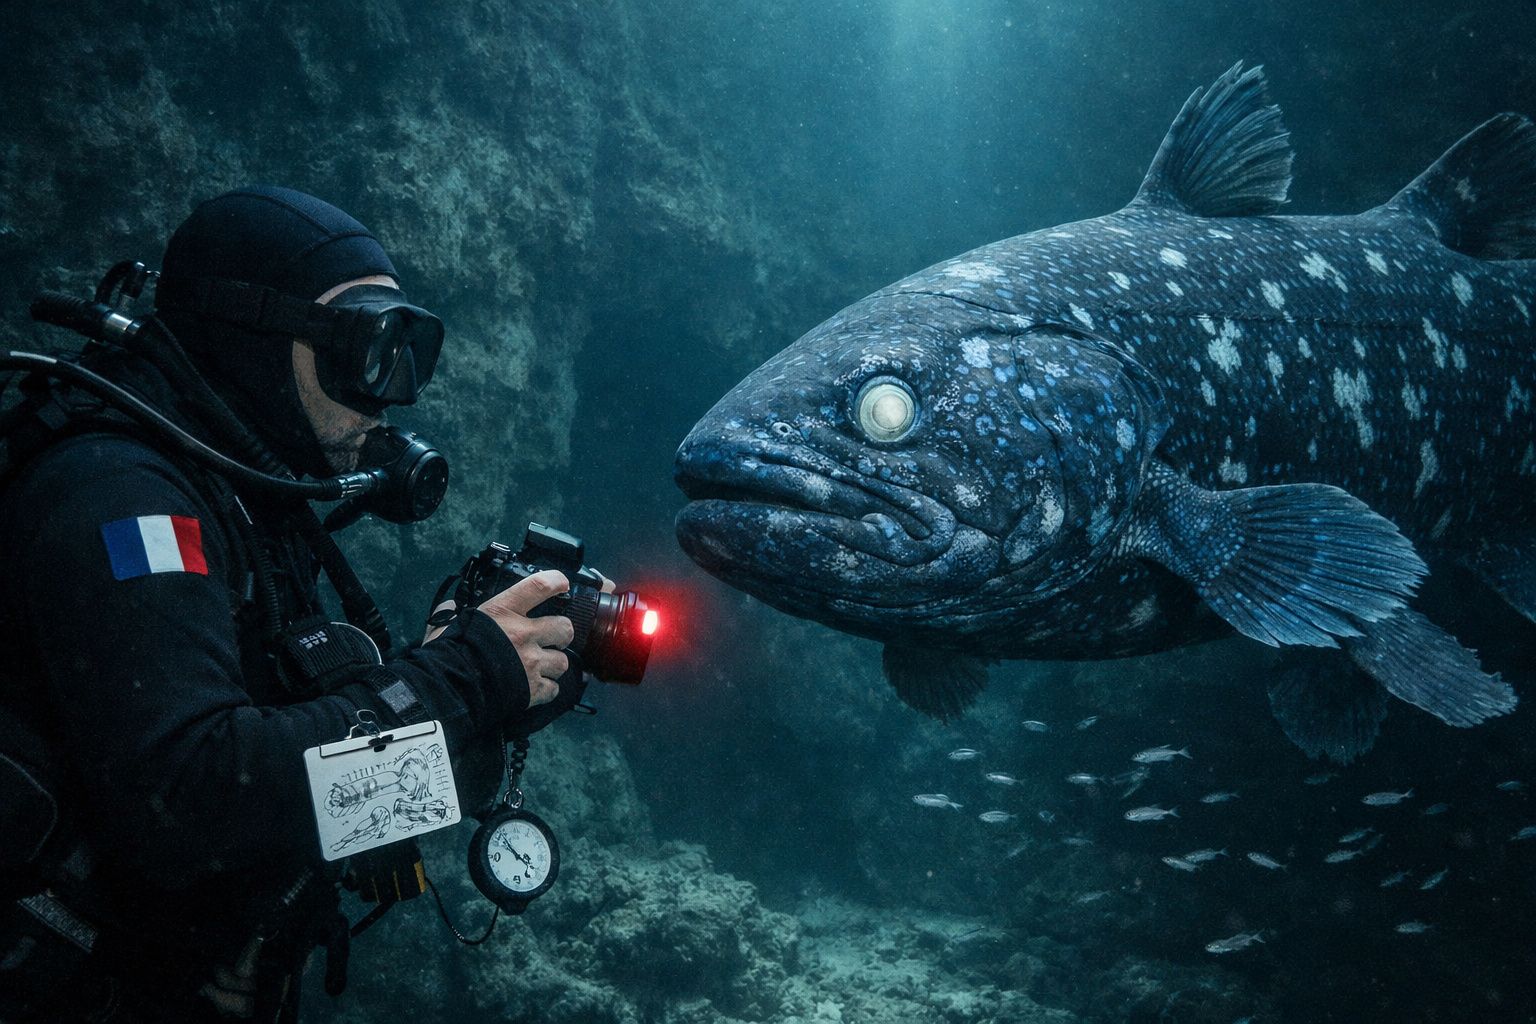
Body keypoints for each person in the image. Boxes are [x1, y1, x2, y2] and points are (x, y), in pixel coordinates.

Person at [0, 186, 594, 1022]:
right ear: (253, 343)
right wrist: (456, 682)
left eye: (406, 353)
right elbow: (192, 800)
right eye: (364, 351)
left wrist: (473, 714)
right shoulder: (121, 496)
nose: (387, 394)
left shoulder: (248, 501)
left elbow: (310, 796)